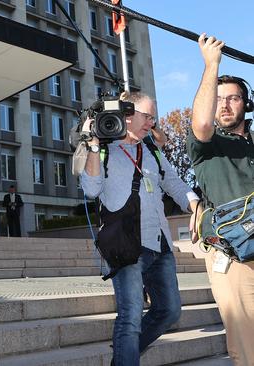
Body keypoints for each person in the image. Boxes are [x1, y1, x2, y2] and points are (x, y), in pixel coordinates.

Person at [80, 92, 201, 365]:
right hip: (125, 246)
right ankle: (126, 352)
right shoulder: (103, 150)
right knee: (130, 316)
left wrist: (195, 205)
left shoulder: (151, 150)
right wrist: (92, 145)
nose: (152, 122)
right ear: (128, 115)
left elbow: (174, 183)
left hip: (160, 244)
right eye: (147, 116)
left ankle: (124, 353)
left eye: (152, 117)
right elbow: (90, 189)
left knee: (169, 311)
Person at [187, 33, 254, 366]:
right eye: (218, 99)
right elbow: (201, 122)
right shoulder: (207, 145)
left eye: (234, 98)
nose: (225, 105)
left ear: (247, 103)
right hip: (235, 257)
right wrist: (211, 64)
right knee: (248, 344)